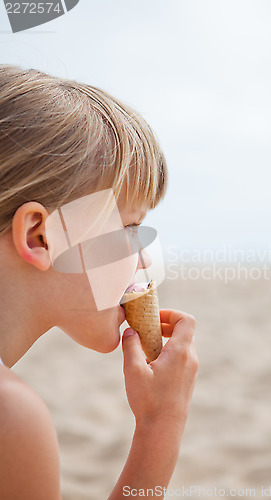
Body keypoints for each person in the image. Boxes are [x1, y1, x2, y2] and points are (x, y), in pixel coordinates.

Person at [0, 65, 198, 499]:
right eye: (129, 228)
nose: (144, 255)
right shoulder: (11, 418)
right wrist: (160, 426)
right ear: (41, 236)